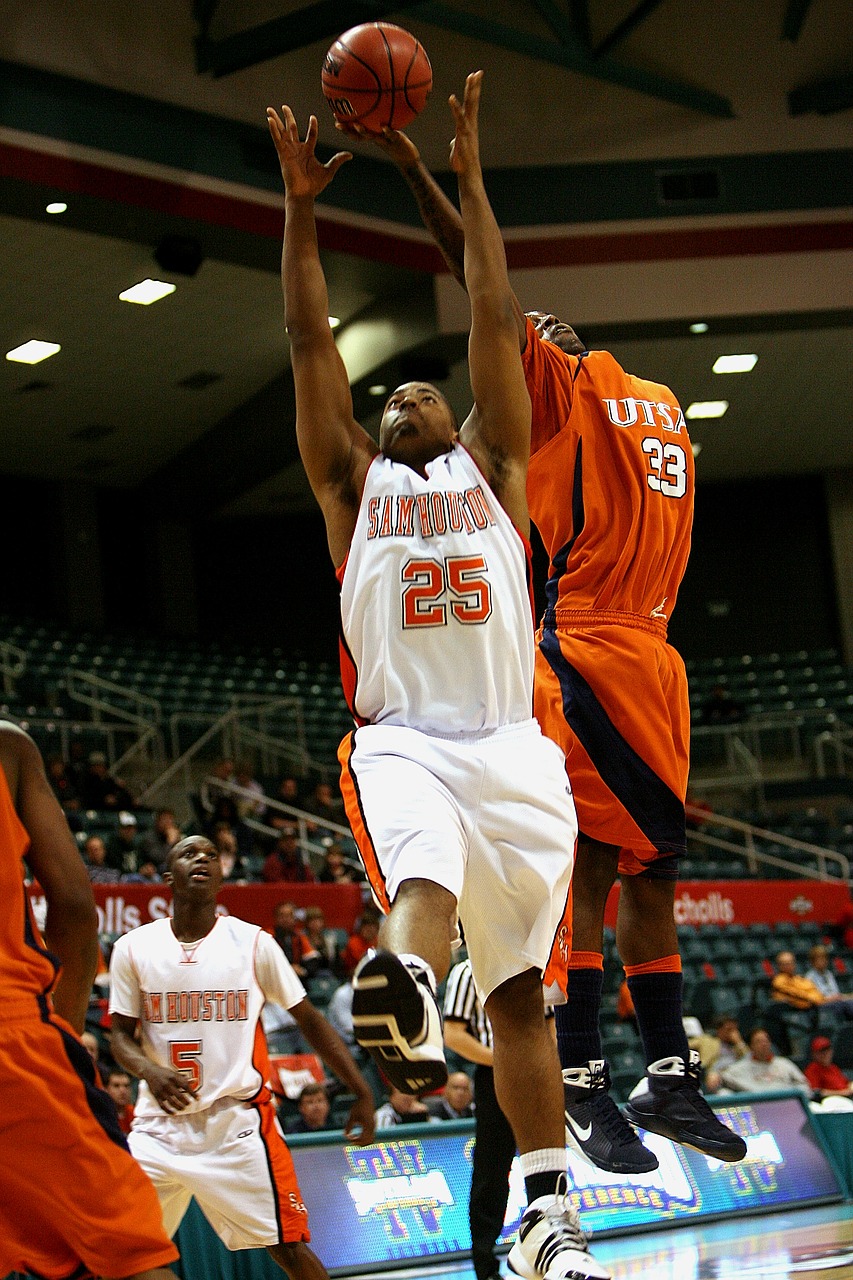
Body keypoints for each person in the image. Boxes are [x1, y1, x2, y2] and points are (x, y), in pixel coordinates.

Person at [343, 114, 745, 1173]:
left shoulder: (631, 394)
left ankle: (667, 1073)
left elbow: (494, 285)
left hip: (651, 652)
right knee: (594, 868)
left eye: (541, 322)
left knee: (648, 869)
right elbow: (475, 270)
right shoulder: (583, 394)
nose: (536, 323)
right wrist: (423, 168)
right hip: (586, 646)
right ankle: (579, 1074)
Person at [269, 74, 608, 1280]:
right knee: (415, 872)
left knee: (522, 996)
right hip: (406, 733)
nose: (404, 393)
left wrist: (460, 176)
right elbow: (311, 336)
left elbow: (491, 299)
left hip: (516, 748)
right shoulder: (350, 491)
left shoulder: (500, 463)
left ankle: (546, 1221)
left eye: (423, 388)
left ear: (461, 416)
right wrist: (303, 210)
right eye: (387, 397)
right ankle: (403, 981)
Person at [109, 834, 375, 1280]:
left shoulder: (253, 944)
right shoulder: (133, 947)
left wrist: (361, 1091)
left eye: (211, 854)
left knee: (289, 1251)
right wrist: (150, 1071)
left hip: (234, 1125)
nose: (202, 859)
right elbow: (118, 1036)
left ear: (222, 872)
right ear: (168, 874)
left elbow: (310, 1021)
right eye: (188, 853)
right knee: (118, 1254)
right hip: (158, 1128)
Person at [0, 721, 178, 1280]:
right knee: (129, 1260)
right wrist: (59, 1033)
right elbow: (76, 909)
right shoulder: (9, 746)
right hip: (15, 1037)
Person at [443, 955, 516, 1280]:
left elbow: (551, 1021)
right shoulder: (466, 970)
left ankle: (553, 1252)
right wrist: (505, 1059)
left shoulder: (534, 961)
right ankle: (485, 1265)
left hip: (537, 1069)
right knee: (492, 1172)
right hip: (493, 1073)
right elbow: (453, 1034)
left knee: (546, 1161)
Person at [720, 1026, 810, 1094]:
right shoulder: (740, 1067)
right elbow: (723, 1077)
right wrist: (714, 1074)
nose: (764, 1044)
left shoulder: (784, 1064)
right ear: (751, 1046)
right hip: (755, 1106)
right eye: (758, 1041)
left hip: (784, 1105)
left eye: (766, 1041)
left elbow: (804, 1086)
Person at [804, 1035, 853, 1101]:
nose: (826, 1054)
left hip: (846, 1099)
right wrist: (843, 1093)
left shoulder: (833, 1067)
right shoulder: (813, 1069)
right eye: (821, 1052)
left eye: (828, 1050)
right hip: (830, 1103)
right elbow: (815, 1093)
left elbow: (846, 1083)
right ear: (814, 1054)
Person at [106, 1066, 136, 1134]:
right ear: (106, 1089)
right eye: (116, 1086)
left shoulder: (135, 1113)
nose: (123, 1091)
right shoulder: (100, 1115)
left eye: (126, 1086)